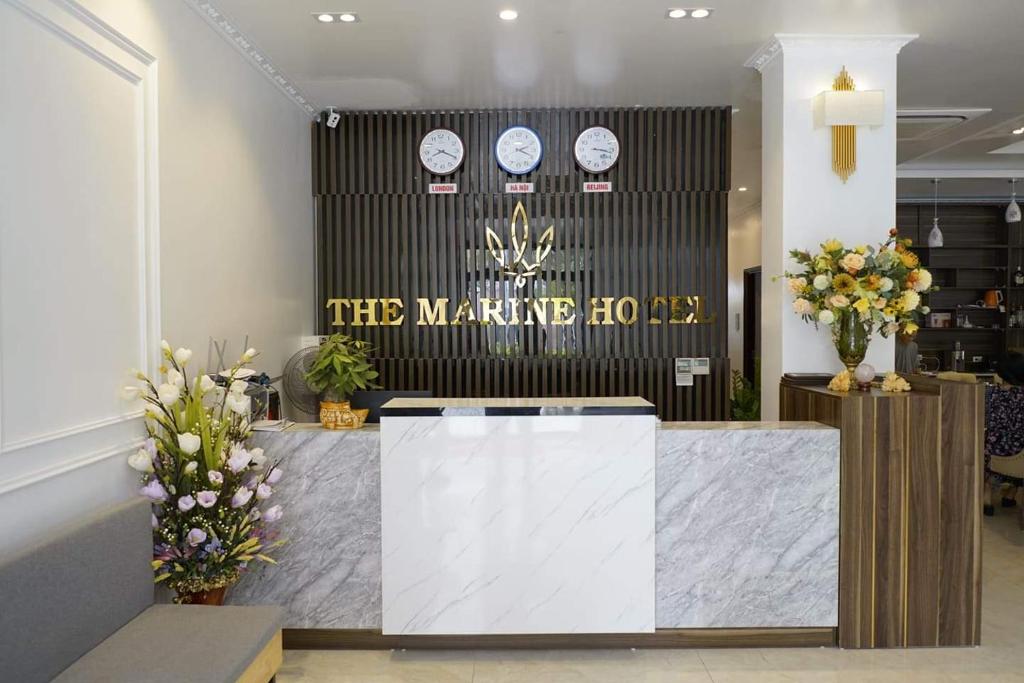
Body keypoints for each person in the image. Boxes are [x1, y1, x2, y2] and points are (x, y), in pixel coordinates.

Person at [984, 351, 1024, 515]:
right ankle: (1010, 494)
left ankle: (986, 497)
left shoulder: (992, 394)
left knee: (984, 446)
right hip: (1019, 455)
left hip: (995, 453)